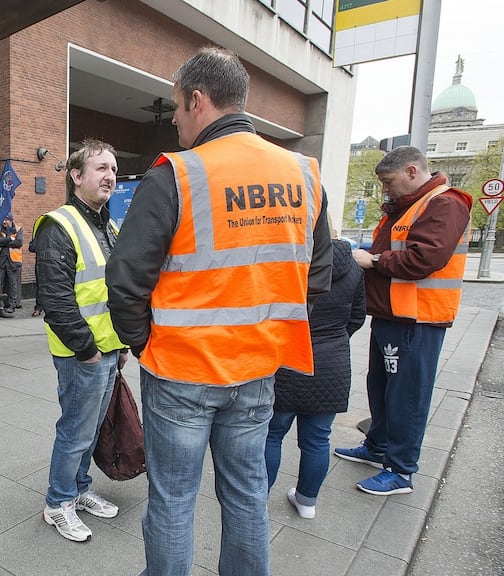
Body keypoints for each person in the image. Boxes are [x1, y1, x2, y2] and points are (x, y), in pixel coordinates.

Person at [105, 46, 332, 575]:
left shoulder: (177, 175)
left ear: (198, 101)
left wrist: (146, 344)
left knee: (173, 503)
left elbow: (126, 280)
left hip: (182, 369)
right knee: (247, 497)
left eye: (178, 107)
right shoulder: (302, 173)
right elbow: (316, 275)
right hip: (257, 369)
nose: (178, 119)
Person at [334, 145, 472, 496]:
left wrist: (373, 261)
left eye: (388, 181)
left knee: (406, 395)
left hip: (417, 319)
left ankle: (400, 470)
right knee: (381, 388)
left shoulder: (445, 204)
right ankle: (378, 446)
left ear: (412, 171)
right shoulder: (409, 206)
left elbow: (424, 259)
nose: (385, 189)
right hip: (392, 314)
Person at [31, 138, 127, 542]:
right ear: (76, 176)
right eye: (101, 168)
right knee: (75, 431)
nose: (110, 176)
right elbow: (55, 299)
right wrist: (87, 351)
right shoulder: (60, 225)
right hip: (81, 354)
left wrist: (120, 346)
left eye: (114, 169)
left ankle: (79, 489)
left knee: (90, 430)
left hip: (107, 350)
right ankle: (57, 503)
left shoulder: (109, 225)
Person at [265, 231, 365, 519]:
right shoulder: (353, 267)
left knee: (272, 435)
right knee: (318, 439)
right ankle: (307, 501)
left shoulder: (287, 261)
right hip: (331, 364)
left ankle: (259, 501)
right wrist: (333, 341)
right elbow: (357, 316)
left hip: (287, 359)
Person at [0, 213, 23, 313]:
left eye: (7, 220)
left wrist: (5, 243)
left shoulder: (18, 229)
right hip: (0, 261)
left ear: (11, 220)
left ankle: (12, 305)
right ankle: (0, 305)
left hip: (13, 262)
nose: (4, 222)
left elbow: (19, 243)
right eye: (3, 220)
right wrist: (9, 239)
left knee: (13, 284)